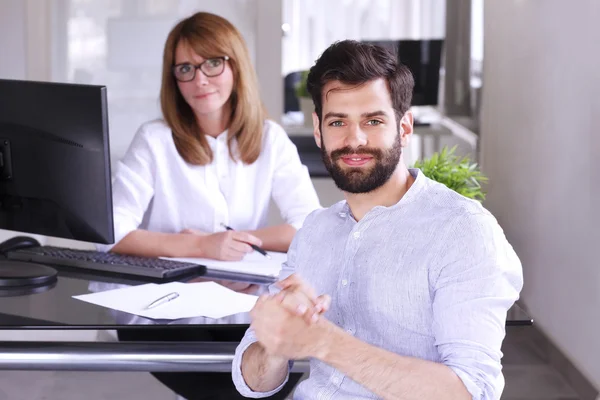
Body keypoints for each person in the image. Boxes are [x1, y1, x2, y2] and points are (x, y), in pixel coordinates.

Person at [232, 40, 524, 400]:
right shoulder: (313, 231)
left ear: (404, 127)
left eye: (373, 120)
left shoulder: (463, 231)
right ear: (319, 130)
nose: (354, 140)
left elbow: (471, 392)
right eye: (338, 121)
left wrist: (325, 343)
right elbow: (253, 382)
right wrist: (278, 341)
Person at [103, 11, 320, 400]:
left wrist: (237, 244)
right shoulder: (154, 140)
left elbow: (310, 225)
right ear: (174, 79)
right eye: (185, 68)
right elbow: (112, 234)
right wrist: (201, 247)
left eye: (212, 64)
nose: (199, 79)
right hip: (165, 305)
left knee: (268, 368)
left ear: (235, 65)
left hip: (244, 298)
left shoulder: (270, 139)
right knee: (233, 387)